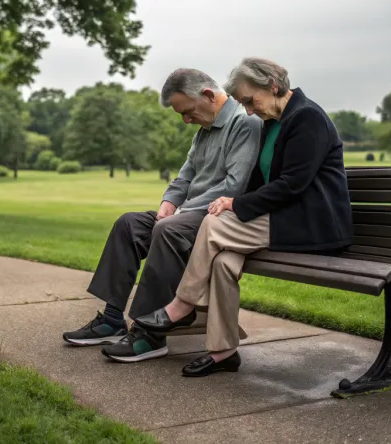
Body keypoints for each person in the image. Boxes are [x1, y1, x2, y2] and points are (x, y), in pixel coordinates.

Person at [134, 57, 353, 376]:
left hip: (313, 225)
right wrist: (230, 200)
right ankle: (224, 353)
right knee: (223, 262)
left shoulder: (307, 118)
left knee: (213, 224)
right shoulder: (271, 123)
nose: (248, 110)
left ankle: (181, 306)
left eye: (250, 101)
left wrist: (234, 205)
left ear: (273, 86)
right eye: (242, 104)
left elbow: (292, 184)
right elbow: (259, 180)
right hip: (281, 221)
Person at [62, 68, 263, 363]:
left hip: (220, 217)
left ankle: (150, 335)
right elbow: (184, 177)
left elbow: (234, 186)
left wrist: (179, 212)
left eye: (188, 111)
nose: (185, 120)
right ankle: (112, 319)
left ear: (208, 95)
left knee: (167, 230)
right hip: (190, 214)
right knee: (129, 224)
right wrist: (168, 202)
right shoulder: (203, 132)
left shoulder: (245, 124)